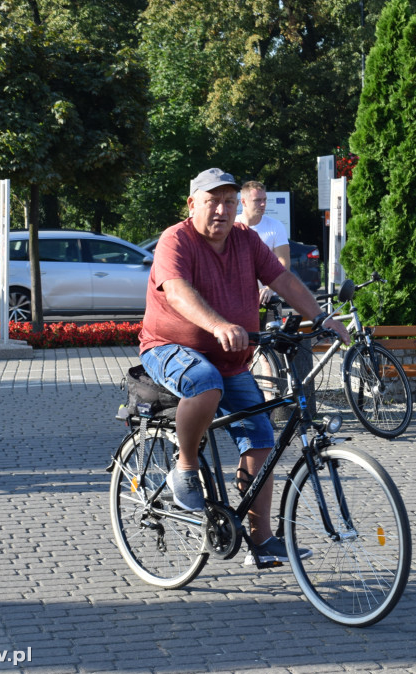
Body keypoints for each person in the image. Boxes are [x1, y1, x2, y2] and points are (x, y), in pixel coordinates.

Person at [138, 168, 350, 566]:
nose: (221, 209)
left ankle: (261, 539)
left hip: (231, 356)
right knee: (204, 382)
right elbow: (178, 291)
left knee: (261, 440)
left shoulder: (246, 240)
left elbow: (282, 279)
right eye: (212, 200)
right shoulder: (176, 239)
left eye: (229, 201)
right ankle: (185, 469)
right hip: (169, 347)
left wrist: (320, 318)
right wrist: (218, 324)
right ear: (193, 204)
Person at [239, 180, 289, 305]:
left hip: (268, 298)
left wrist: (271, 288)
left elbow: (284, 263)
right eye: (257, 200)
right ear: (243, 201)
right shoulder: (232, 226)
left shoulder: (275, 226)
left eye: (264, 200)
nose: (263, 204)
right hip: (238, 297)